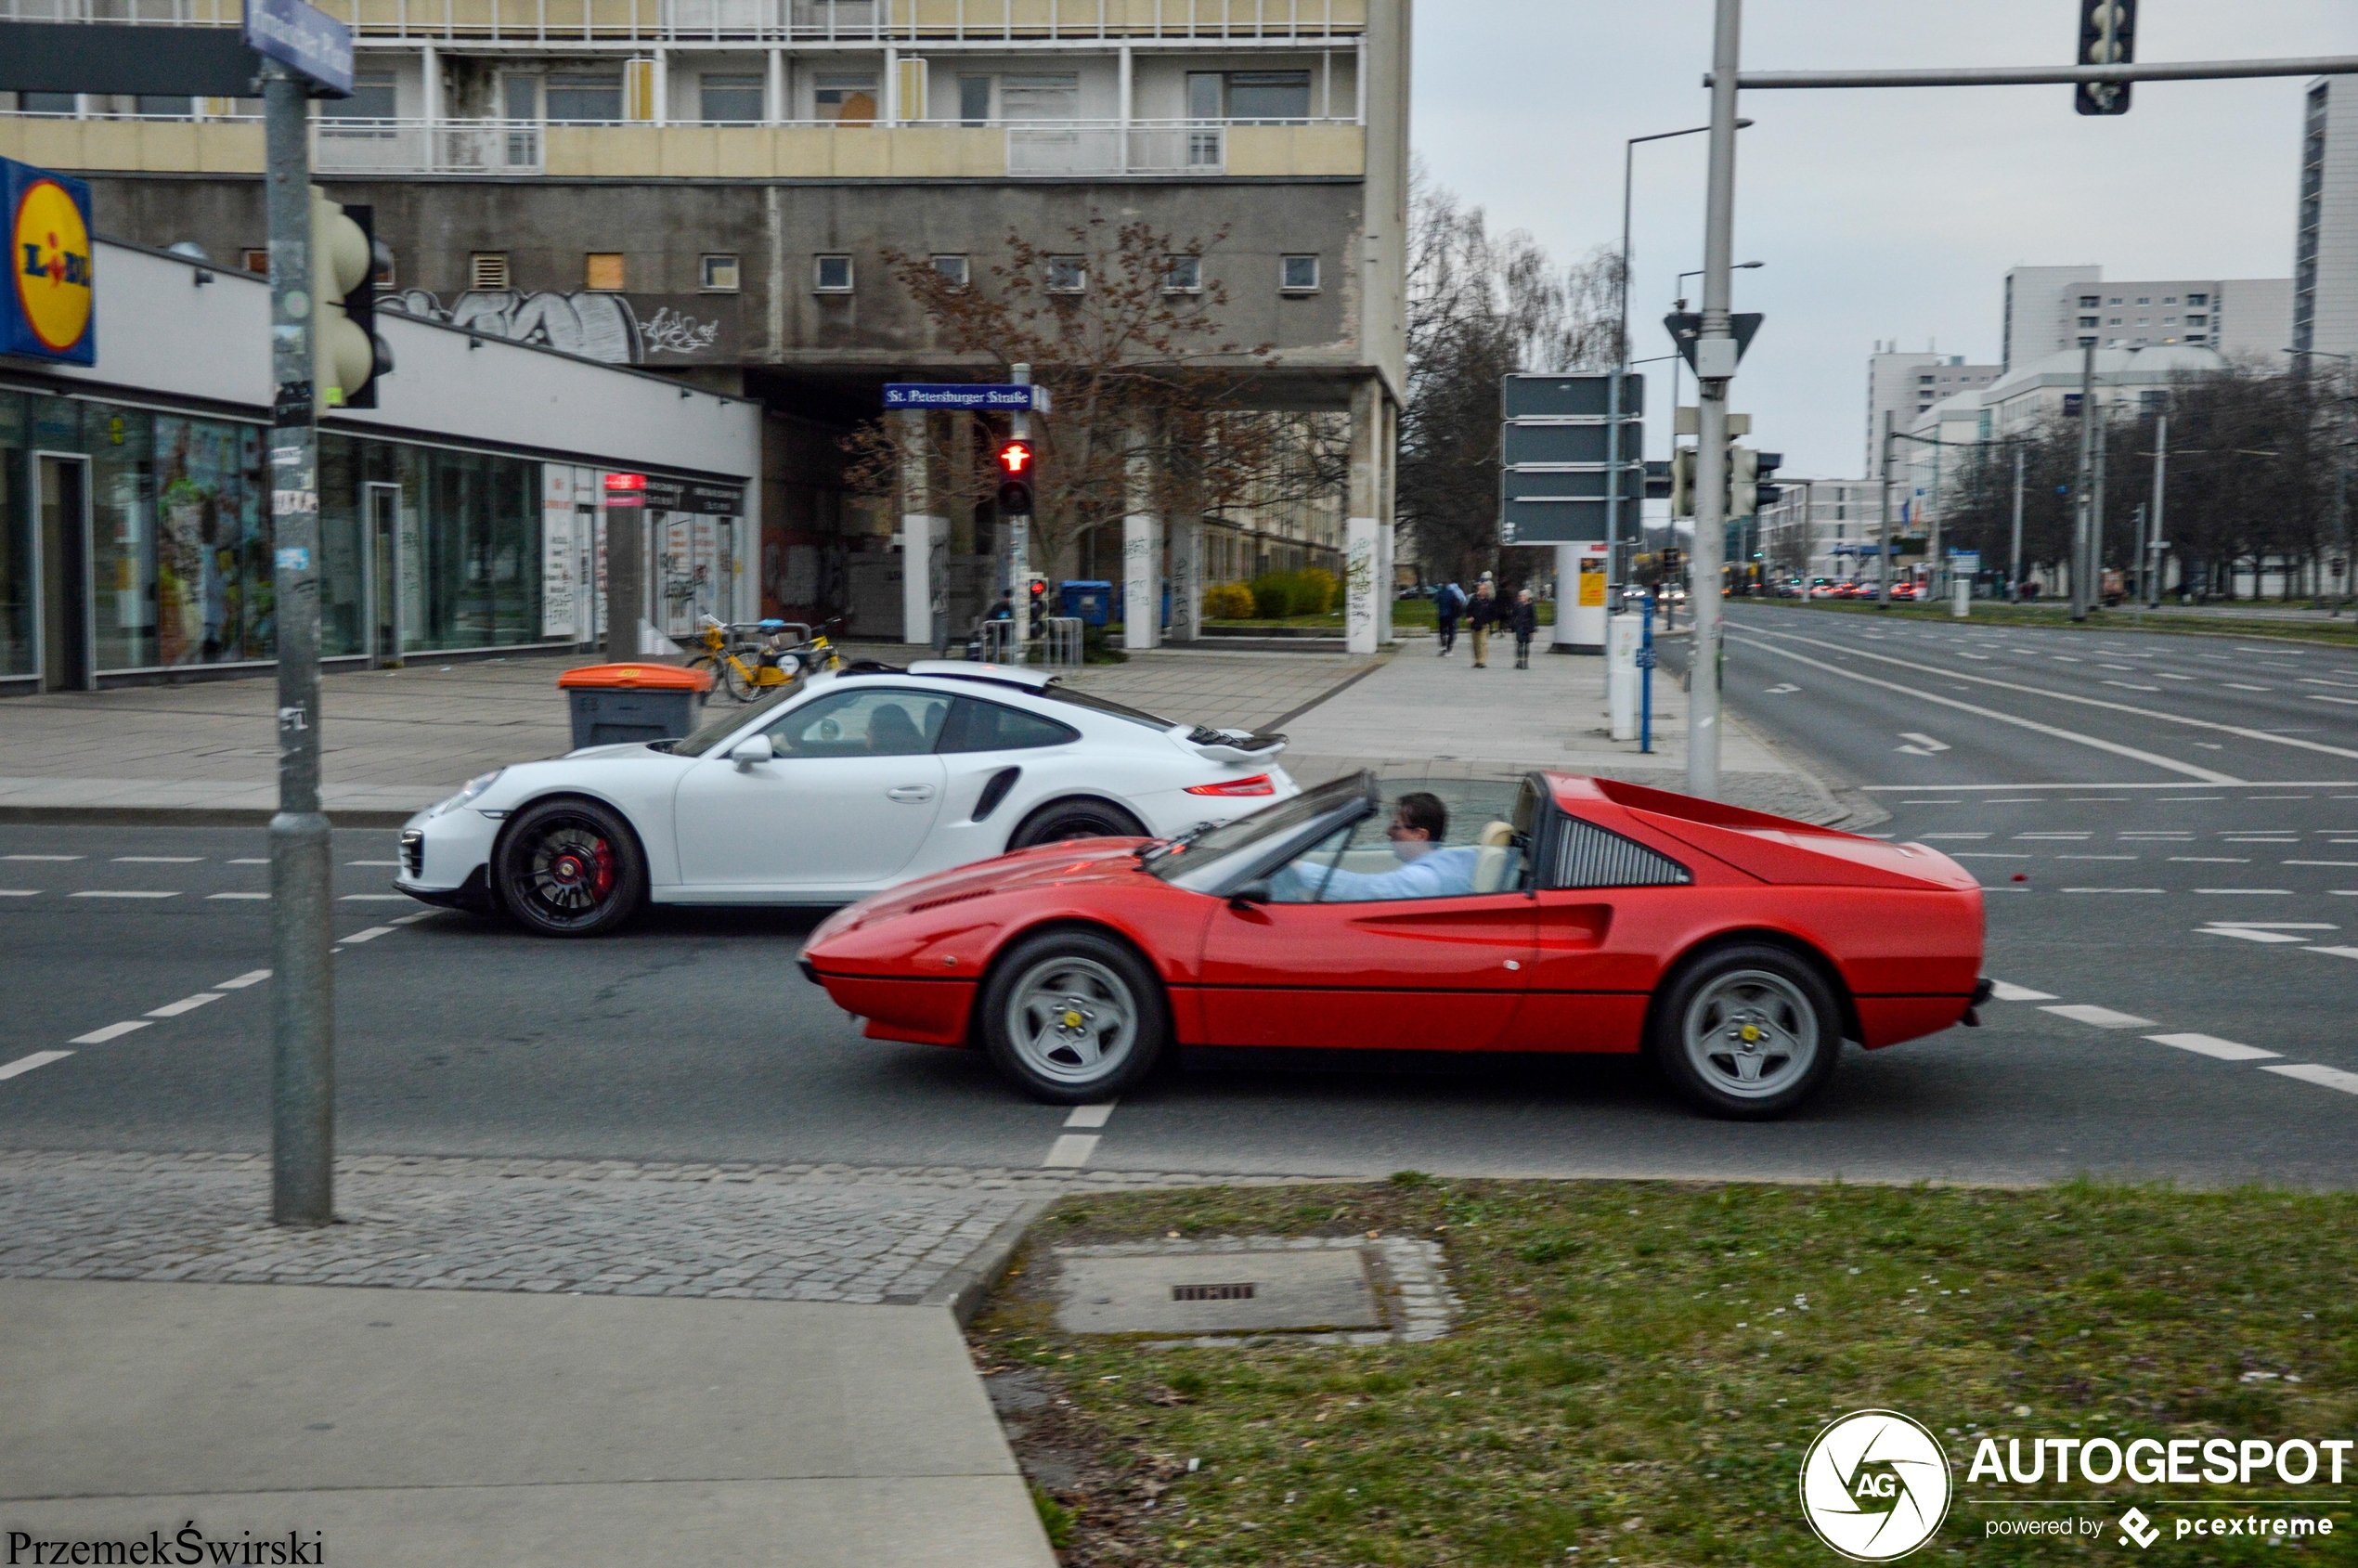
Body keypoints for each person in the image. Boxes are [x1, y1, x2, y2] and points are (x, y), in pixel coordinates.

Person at [1274, 792, 1477, 902]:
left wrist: (1298, 868)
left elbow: (1364, 889)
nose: (1388, 832)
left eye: (1396, 827)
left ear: (1420, 835)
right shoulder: (1449, 863)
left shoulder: (1424, 880)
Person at [1466, 580, 1499, 667]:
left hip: (1484, 625)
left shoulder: (1489, 602)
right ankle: (1477, 660)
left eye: (1484, 589)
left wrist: (1489, 621)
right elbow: (1468, 610)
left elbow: (1493, 613)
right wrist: (1469, 617)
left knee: (1483, 643)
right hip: (1474, 625)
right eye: (1481, 589)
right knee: (1475, 644)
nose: (1483, 591)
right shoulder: (1474, 600)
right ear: (1478, 590)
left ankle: (1482, 661)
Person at [1509, 587, 1537, 669]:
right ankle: (1519, 660)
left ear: (1528, 597)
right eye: (1521, 596)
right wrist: (1512, 626)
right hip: (1519, 627)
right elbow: (1513, 616)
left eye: (1524, 596)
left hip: (1527, 628)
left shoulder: (1531, 606)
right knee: (1519, 644)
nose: (1522, 597)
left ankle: (1525, 661)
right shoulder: (1517, 605)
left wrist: (1532, 629)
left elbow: (1533, 618)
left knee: (1526, 645)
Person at [1435, 581, 1465, 656]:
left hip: (1442, 615)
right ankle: (1449, 649)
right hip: (1451, 616)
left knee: (1442, 631)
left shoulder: (1440, 592)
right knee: (1451, 632)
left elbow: (1435, 600)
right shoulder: (1452, 593)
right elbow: (1459, 601)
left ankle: (1443, 646)